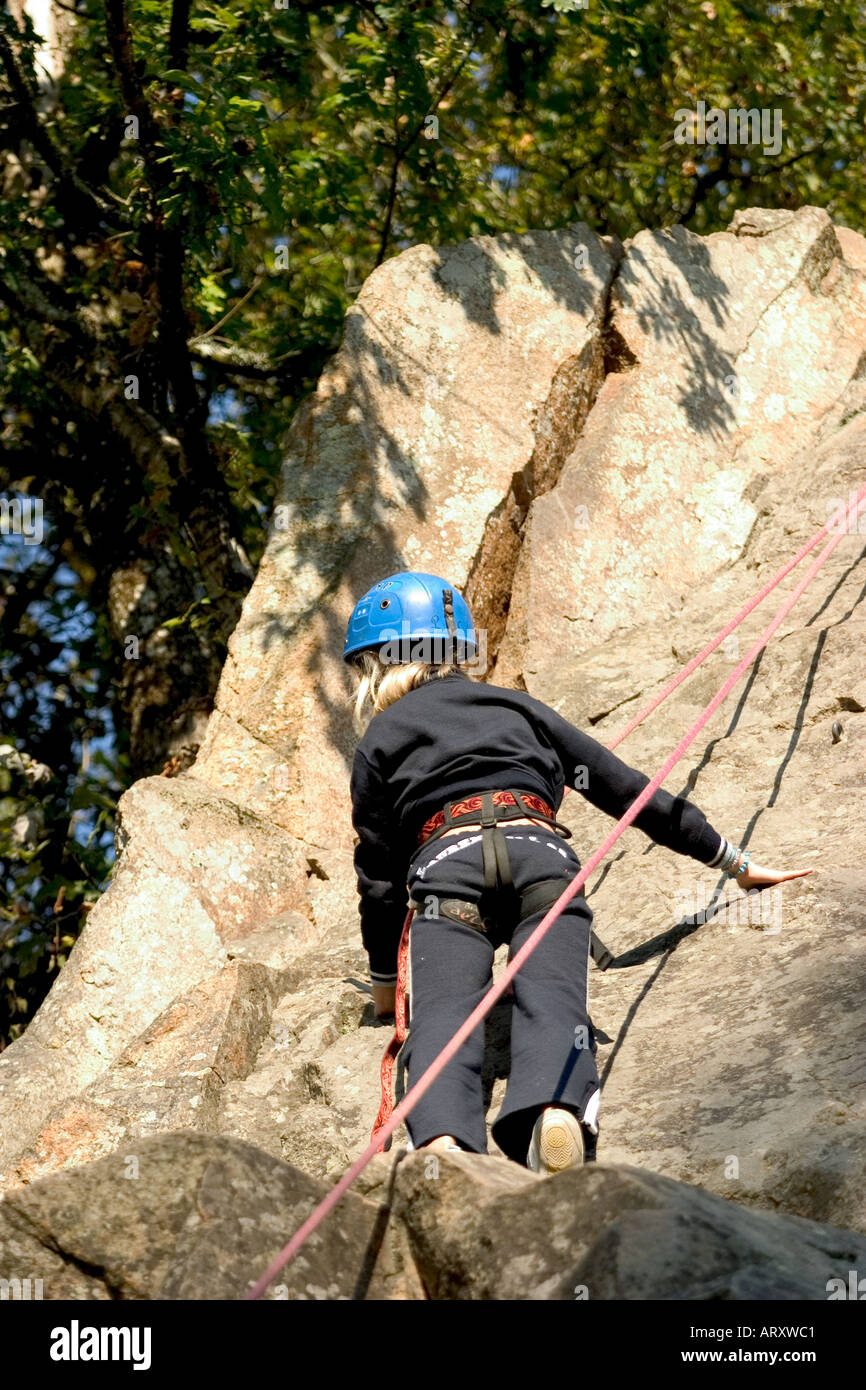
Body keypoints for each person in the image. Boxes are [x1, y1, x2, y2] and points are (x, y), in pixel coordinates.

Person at [344, 571, 812, 1173]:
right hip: (542, 858)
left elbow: (378, 876)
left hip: (446, 870)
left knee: (442, 1017)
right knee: (554, 999)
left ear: (380, 665)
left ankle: (444, 1142)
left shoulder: (381, 737)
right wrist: (732, 861)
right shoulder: (517, 706)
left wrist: (386, 985)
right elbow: (628, 792)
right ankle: (553, 1106)